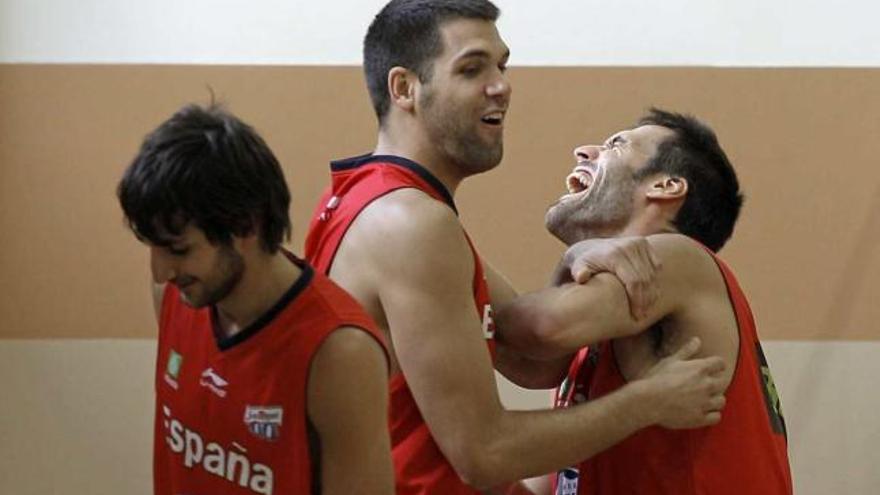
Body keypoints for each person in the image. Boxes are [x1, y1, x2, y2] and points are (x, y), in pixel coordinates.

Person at [304, 1, 728, 493]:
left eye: (501, 66)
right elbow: (485, 453)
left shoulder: (369, 198)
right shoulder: (412, 224)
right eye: (471, 68)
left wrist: (573, 258)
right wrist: (650, 399)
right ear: (405, 89)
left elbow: (534, 358)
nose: (500, 85)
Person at [496, 109, 793, 494]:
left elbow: (540, 330)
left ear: (667, 186)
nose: (584, 151)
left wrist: (575, 253)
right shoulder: (599, 328)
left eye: (615, 145)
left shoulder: (681, 257)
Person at [117, 103, 394, 495]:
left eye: (178, 250)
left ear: (246, 225)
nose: (161, 271)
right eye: (152, 248)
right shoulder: (176, 295)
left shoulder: (340, 351)